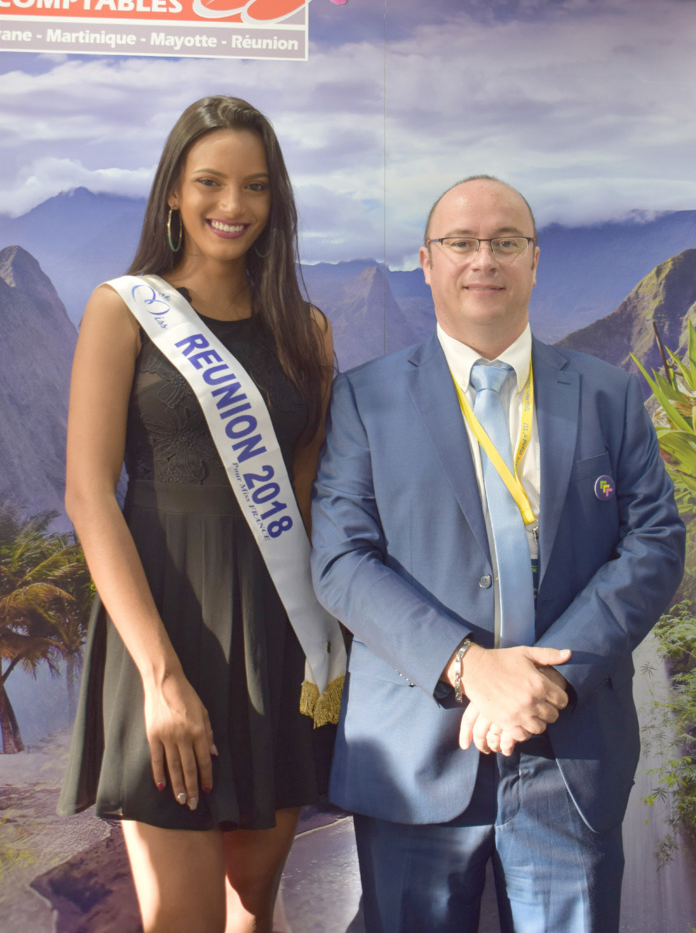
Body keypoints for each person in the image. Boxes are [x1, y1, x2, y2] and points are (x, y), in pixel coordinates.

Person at [310, 176, 685, 932]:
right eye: (462, 242)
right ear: (427, 260)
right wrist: (469, 666)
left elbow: (654, 543)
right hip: (416, 750)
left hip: (568, 754)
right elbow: (342, 560)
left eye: (506, 242)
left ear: (535, 260)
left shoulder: (608, 395)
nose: (484, 259)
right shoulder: (365, 398)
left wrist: (551, 679)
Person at [58, 95, 344, 933]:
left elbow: (308, 498)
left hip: (276, 636)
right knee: (180, 920)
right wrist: (161, 678)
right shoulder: (124, 309)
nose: (232, 206)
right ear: (174, 194)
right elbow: (87, 495)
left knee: (255, 907)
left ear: (276, 201)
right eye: (210, 183)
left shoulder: (308, 332)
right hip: (163, 630)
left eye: (254, 187)